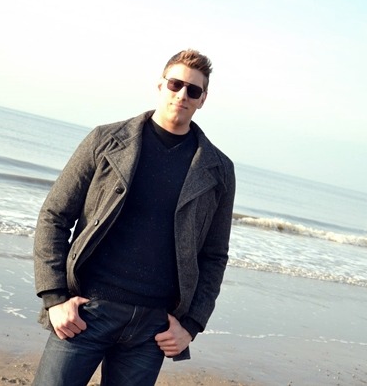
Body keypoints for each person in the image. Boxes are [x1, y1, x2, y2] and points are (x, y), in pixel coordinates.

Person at [32, 49, 236, 386]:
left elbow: (214, 255)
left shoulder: (218, 169)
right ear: (160, 85)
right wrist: (54, 298)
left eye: (193, 90)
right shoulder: (105, 140)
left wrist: (191, 325)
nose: (182, 95)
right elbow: (54, 216)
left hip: (152, 329)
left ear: (203, 99)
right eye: (175, 84)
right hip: (86, 312)